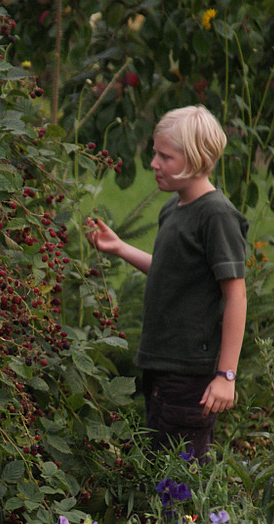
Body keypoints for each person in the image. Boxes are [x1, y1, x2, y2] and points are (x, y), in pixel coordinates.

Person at [88, 104, 248, 460]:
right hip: (160, 366)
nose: (153, 164)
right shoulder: (174, 209)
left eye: (165, 156)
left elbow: (236, 296)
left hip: (191, 375)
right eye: (155, 154)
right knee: (159, 468)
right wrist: (121, 248)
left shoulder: (216, 215)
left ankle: (192, 519)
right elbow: (170, 271)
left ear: (194, 159)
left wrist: (226, 375)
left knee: (180, 476)